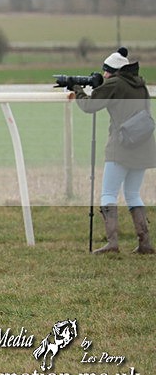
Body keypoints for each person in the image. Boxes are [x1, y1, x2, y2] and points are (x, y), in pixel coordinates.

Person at [73, 47, 156, 254]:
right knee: (133, 193)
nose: (104, 75)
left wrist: (78, 90)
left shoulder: (115, 83)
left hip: (121, 147)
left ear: (113, 71)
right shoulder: (141, 85)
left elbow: (89, 107)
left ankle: (112, 243)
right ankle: (145, 243)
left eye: (106, 71)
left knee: (108, 194)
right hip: (144, 145)